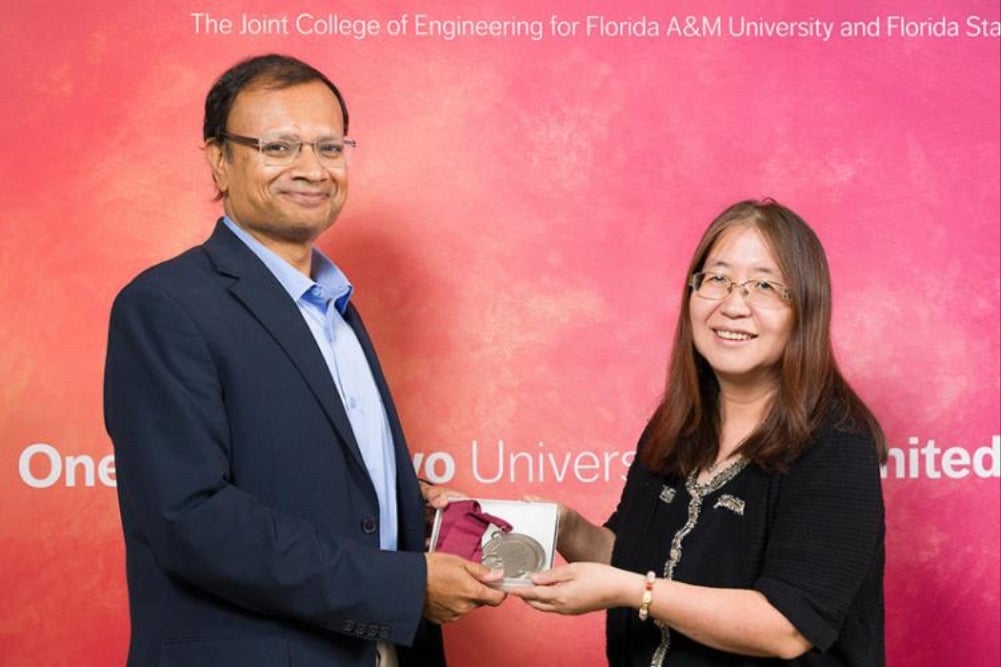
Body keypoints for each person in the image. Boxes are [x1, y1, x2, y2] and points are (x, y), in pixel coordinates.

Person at [103, 53, 505, 667]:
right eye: (279, 147)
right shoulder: (165, 304)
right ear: (219, 158)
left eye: (330, 147)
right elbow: (192, 518)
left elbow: (295, 475)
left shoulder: (333, 304)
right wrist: (403, 586)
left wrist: (405, 507)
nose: (311, 169)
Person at [511, 199, 887, 666]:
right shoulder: (676, 425)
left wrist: (638, 592)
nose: (733, 305)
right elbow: (628, 558)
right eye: (717, 280)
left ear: (804, 308)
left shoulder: (836, 443)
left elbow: (787, 626)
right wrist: (566, 528)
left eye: (764, 286)